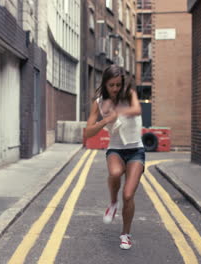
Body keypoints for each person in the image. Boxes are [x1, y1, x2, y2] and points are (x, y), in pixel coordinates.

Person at [85, 65, 145, 250]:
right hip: (116, 149)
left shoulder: (129, 94)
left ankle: (125, 234)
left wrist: (118, 111)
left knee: (128, 194)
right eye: (111, 85)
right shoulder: (99, 102)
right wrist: (104, 121)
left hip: (136, 149)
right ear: (105, 83)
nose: (115, 89)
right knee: (115, 172)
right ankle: (112, 203)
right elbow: (88, 132)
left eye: (118, 84)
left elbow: (136, 110)